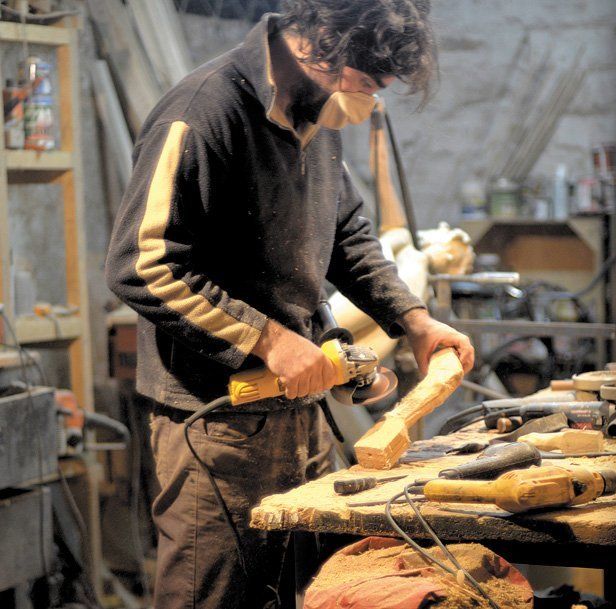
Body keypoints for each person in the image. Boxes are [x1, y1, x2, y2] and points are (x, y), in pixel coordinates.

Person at [105, 1, 474, 607]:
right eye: (366, 83)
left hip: (300, 415)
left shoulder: (313, 115)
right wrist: (270, 340)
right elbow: (142, 264)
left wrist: (413, 320)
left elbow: (347, 235)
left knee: (305, 592)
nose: (368, 102)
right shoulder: (202, 112)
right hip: (217, 426)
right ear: (323, 41)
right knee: (213, 597)